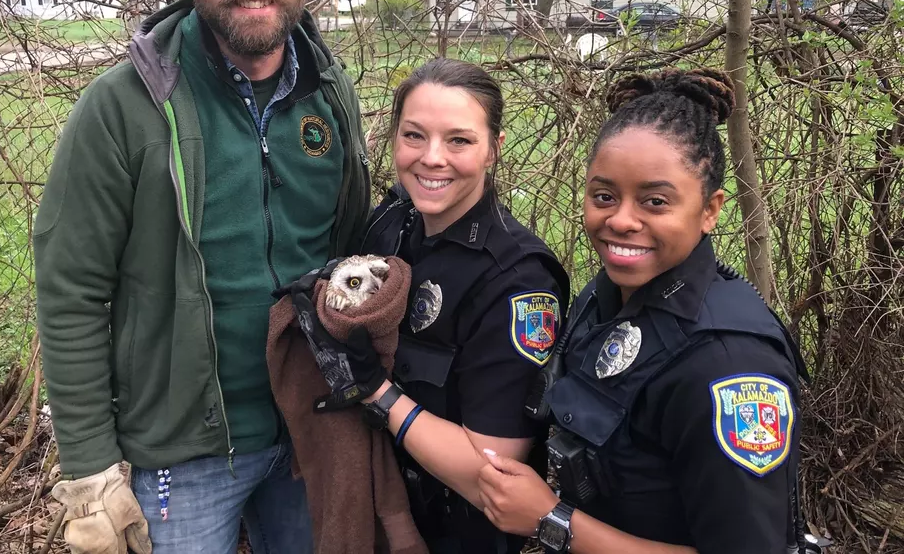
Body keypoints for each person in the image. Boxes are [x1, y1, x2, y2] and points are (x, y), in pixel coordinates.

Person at [34, 0, 370, 554]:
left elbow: (347, 243)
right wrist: (92, 467)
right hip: (181, 454)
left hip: (313, 428)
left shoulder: (329, 94)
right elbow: (70, 287)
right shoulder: (125, 105)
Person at [476, 68, 809, 554]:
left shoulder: (729, 365)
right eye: (604, 196)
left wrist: (551, 520)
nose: (621, 221)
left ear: (711, 209)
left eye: (655, 201)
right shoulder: (606, 293)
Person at [287, 58, 570, 553]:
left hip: (450, 534)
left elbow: (491, 477)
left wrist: (379, 394)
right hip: (367, 510)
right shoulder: (391, 224)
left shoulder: (516, 281)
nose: (431, 158)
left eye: (459, 140)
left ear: (493, 151)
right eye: (414, 136)